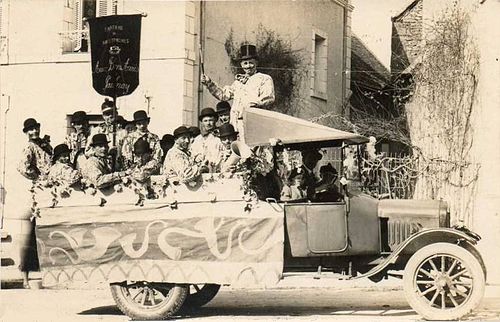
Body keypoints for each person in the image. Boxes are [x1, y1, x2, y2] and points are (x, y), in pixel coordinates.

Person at [201, 44, 275, 140]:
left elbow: (269, 97)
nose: (248, 66)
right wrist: (209, 83)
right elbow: (223, 95)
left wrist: (254, 104)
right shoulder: (238, 83)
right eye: (245, 63)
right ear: (241, 65)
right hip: (236, 125)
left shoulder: (264, 79)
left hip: (254, 123)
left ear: (256, 63)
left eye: (251, 63)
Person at [17, 118, 53, 289]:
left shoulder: (45, 145)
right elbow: (22, 167)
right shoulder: (29, 147)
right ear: (26, 133)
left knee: (46, 233)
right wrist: (38, 178)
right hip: (36, 192)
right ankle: (25, 277)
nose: (34, 132)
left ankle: (46, 276)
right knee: (30, 236)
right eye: (30, 130)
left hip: (48, 191)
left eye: (35, 128)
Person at [87, 99, 127, 170]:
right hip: (102, 168)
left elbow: (126, 153)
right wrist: (106, 153)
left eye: (112, 113)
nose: (110, 116)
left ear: (117, 114)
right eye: (107, 114)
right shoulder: (97, 131)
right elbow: (87, 152)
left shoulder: (123, 132)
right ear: (103, 116)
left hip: (119, 168)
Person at [191, 108, 223, 172]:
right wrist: (196, 158)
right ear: (202, 123)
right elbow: (192, 155)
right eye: (205, 121)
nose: (208, 123)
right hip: (199, 173)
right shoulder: (197, 140)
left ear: (215, 121)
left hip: (216, 171)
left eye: (210, 120)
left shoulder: (220, 138)